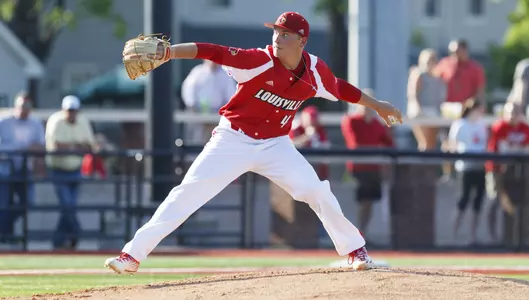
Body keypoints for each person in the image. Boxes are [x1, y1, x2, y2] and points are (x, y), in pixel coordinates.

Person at [105, 11, 403, 274]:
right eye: (275, 31)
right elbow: (212, 51)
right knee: (186, 195)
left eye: (285, 34)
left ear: (302, 41)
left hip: (276, 145)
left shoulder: (314, 72)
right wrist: (169, 52)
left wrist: (377, 105)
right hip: (232, 139)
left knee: (316, 191)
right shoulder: (258, 60)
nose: (277, 37)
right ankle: (131, 255)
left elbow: (340, 88)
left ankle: (355, 251)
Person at [45, 95, 96, 250]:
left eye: (73, 111)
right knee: (68, 205)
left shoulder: (83, 121)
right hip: (58, 170)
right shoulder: (55, 120)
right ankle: (76, 232)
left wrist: (70, 147)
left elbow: (90, 147)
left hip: (75, 170)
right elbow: (56, 147)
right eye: (69, 111)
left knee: (69, 206)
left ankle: (59, 241)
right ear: (63, 110)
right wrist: (77, 146)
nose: (71, 114)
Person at [340, 102, 394, 236]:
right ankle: (353, 235)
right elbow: (354, 143)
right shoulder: (352, 121)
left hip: (373, 168)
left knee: (368, 202)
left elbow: (388, 143)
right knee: (362, 201)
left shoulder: (376, 124)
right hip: (358, 168)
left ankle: (362, 233)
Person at [0, 92, 45, 242]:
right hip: (5, 169)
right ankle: (6, 235)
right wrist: (19, 148)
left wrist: (28, 149)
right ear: (15, 106)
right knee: (4, 204)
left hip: (25, 169)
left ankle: (5, 231)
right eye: (21, 106)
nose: (23, 109)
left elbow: (41, 146)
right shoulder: (4, 121)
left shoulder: (35, 123)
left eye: (27, 106)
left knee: (28, 203)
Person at [485, 102, 529, 242]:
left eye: (515, 112)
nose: (512, 116)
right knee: (494, 200)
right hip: (497, 170)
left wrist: (515, 149)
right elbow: (501, 150)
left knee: (517, 203)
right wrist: (518, 149)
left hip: (516, 173)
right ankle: (491, 237)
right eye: (509, 112)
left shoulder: (525, 128)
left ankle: (515, 237)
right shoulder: (499, 127)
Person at [447, 99, 488, 245]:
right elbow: (451, 144)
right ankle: (454, 236)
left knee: (478, 202)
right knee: (462, 201)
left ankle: (473, 236)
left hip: (479, 166)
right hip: (465, 167)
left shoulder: (482, 124)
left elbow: (484, 144)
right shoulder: (460, 124)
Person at [407, 48, 447, 150]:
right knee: (424, 143)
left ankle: (429, 164)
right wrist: (418, 109)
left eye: (434, 59)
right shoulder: (419, 74)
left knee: (431, 144)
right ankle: (422, 164)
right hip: (421, 112)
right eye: (429, 60)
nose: (432, 62)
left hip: (433, 112)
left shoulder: (437, 77)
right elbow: (413, 94)